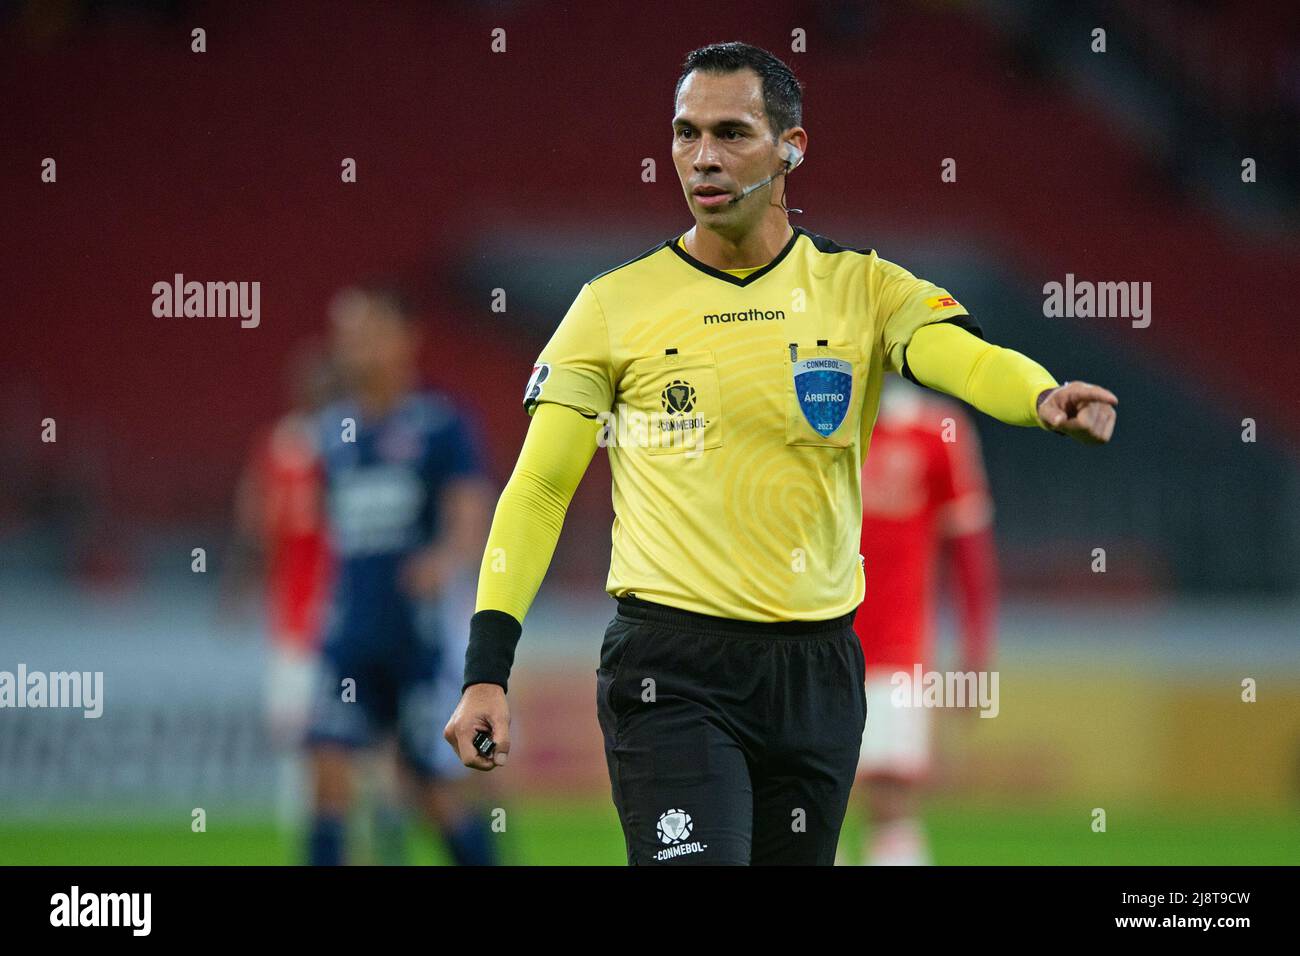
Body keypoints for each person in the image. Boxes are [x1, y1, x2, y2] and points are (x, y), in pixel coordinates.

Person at [443, 41, 1117, 865]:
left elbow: (962, 354)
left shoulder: (862, 288)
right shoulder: (610, 308)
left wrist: (1039, 397)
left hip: (818, 671)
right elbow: (538, 491)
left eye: (730, 133)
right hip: (670, 669)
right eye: (685, 134)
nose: (703, 158)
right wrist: (486, 669)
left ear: (791, 146)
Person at [305, 283, 497, 865]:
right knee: (327, 768)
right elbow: (329, 530)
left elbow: (470, 511)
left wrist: (444, 559)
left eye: (370, 335)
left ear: (404, 340)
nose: (356, 348)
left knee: (432, 790)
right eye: (349, 338)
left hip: (418, 637)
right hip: (351, 635)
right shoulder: (332, 432)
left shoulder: (440, 424)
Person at [851, 376, 998, 865]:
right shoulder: (824, 419)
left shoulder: (939, 432)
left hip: (899, 648)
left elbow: (970, 552)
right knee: (805, 798)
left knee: (892, 796)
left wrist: (976, 650)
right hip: (815, 643)